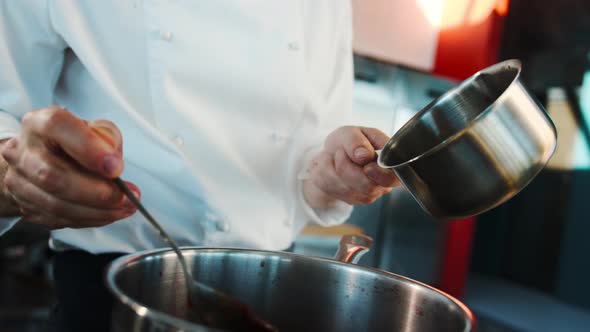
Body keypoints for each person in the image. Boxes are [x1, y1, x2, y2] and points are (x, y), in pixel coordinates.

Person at [0, 1, 399, 331]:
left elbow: (313, 154)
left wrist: (334, 171)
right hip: (113, 299)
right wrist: (18, 177)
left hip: (271, 292)